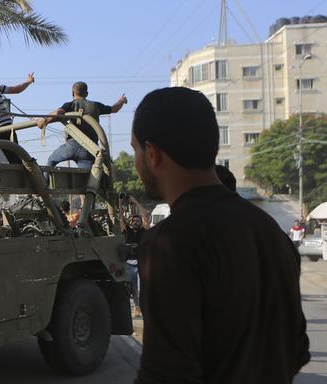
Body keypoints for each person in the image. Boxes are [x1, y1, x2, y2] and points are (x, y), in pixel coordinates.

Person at [130, 87, 309, 382]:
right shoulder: (271, 233)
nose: (137, 160)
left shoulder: (170, 244)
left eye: (135, 149)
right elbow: (297, 347)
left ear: (152, 154)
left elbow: (166, 375)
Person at [40, 81, 127, 169]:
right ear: (87, 93)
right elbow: (114, 109)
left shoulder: (71, 104)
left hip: (71, 146)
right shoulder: (96, 105)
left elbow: (58, 113)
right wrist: (121, 100)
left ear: (72, 93)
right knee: (87, 177)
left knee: (51, 160)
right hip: (89, 149)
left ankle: (44, 182)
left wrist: (44, 120)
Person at [117, 195, 150, 318]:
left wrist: (134, 201)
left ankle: (138, 308)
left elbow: (145, 214)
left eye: (137, 221)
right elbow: (121, 217)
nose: (134, 222)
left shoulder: (144, 231)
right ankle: (130, 308)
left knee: (140, 288)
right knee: (129, 287)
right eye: (132, 220)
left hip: (141, 263)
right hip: (128, 264)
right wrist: (120, 203)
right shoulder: (127, 231)